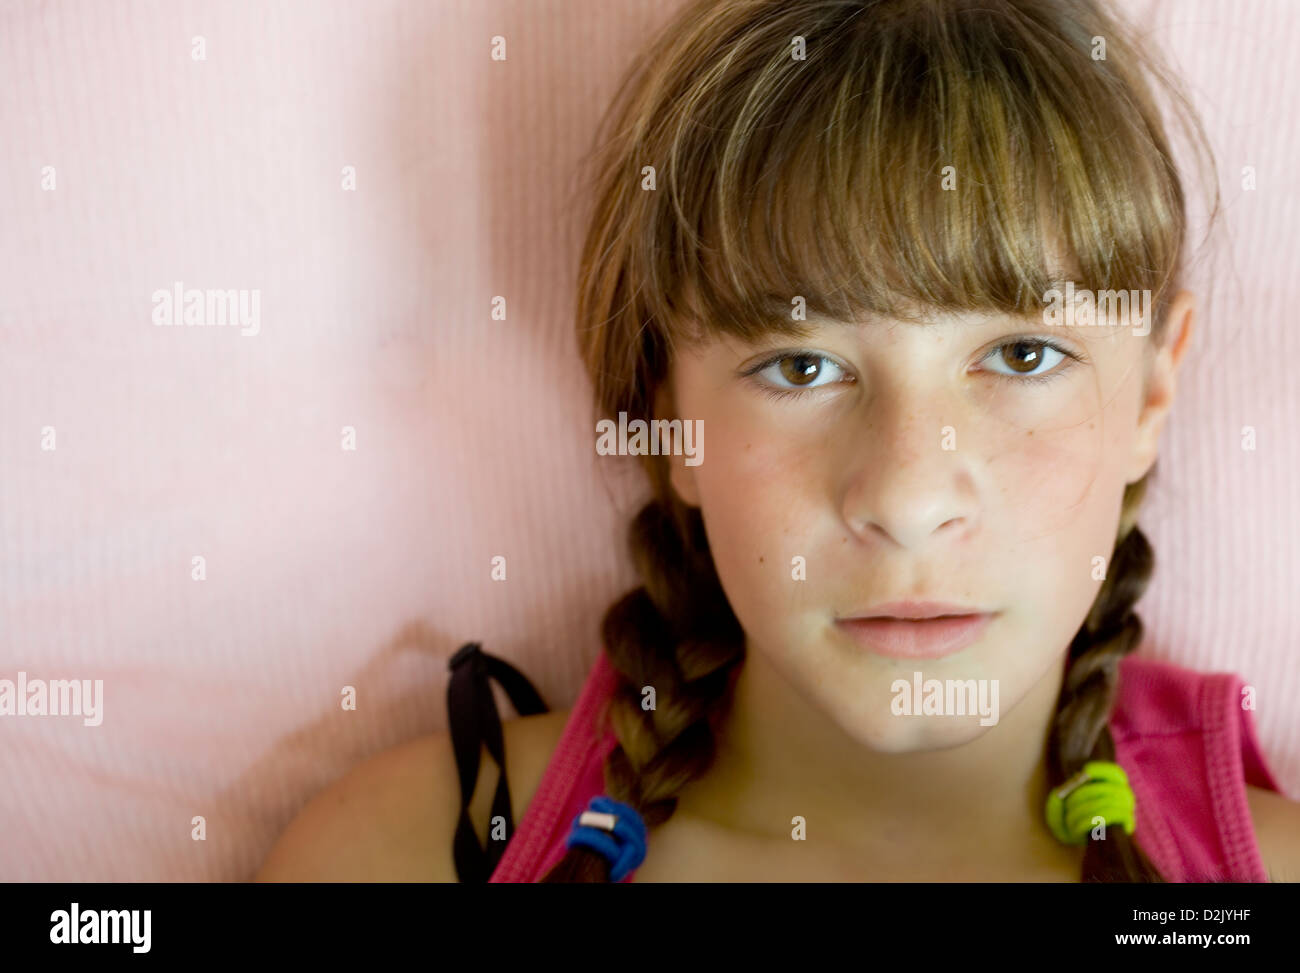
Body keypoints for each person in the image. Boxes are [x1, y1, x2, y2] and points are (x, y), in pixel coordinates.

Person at [256, 0, 1300, 883]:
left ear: (1155, 388)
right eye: (800, 367)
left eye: (1022, 355)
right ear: (667, 416)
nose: (904, 494)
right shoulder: (403, 853)